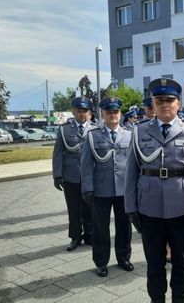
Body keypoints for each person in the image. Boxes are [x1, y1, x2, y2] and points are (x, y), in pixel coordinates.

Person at [124, 78, 184, 303]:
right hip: (149, 207)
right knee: (154, 262)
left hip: (183, 206)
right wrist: (131, 207)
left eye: (169, 100)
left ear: (178, 103)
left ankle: (180, 298)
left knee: (181, 261)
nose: (164, 104)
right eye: (159, 100)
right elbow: (131, 171)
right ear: (152, 103)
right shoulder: (139, 131)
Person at [80, 97, 134, 277]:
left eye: (115, 112)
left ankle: (123, 258)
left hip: (124, 190)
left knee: (124, 226)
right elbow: (86, 164)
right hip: (101, 190)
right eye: (109, 112)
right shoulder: (92, 136)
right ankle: (101, 262)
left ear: (120, 114)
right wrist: (87, 188)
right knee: (100, 228)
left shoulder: (129, 134)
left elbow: (135, 164)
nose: (113, 115)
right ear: (102, 114)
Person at [52, 97, 96, 251]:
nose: (81, 113)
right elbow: (58, 153)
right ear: (73, 111)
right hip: (71, 176)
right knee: (73, 208)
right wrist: (57, 175)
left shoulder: (95, 129)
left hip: (90, 176)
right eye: (79, 110)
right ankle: (75, 237)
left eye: (85, 111)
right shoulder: (64, 129)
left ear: (89, 113)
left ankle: (90, 235)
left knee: (89, 208)